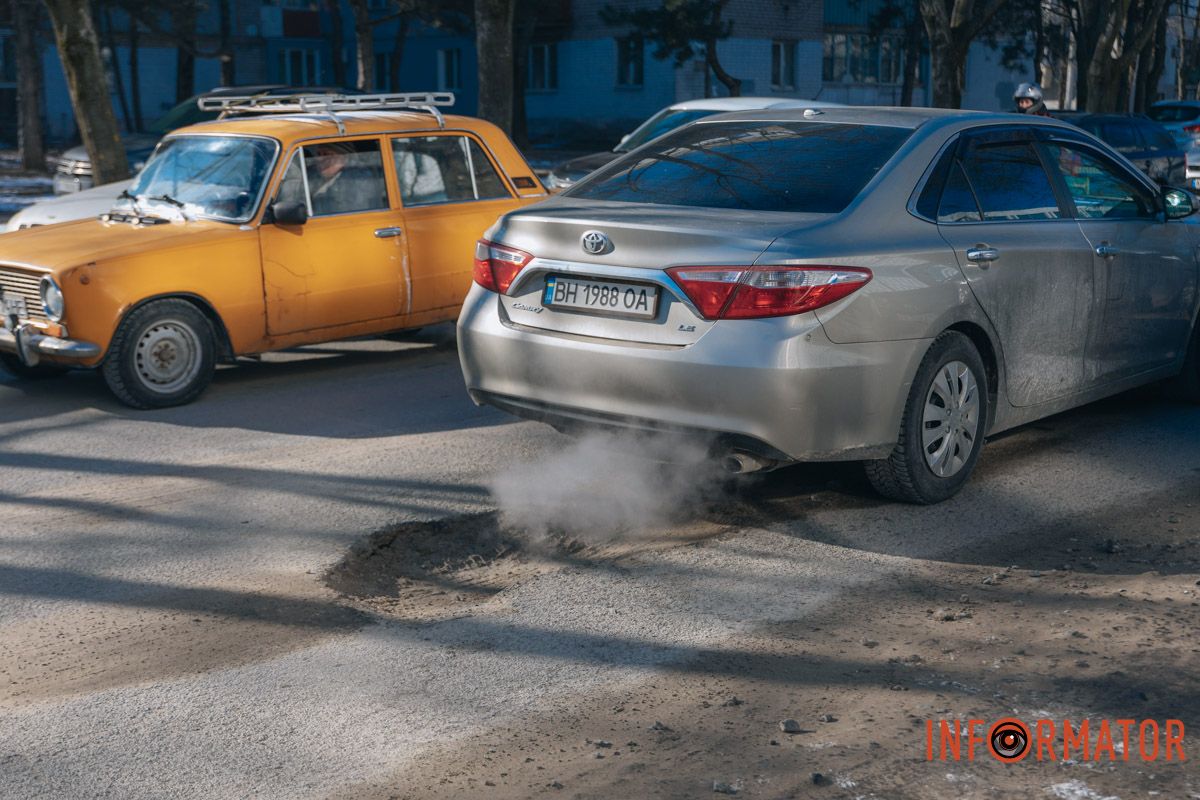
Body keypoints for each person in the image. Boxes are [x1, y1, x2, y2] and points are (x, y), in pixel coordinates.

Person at [307, 141, 360, 215]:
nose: (319, 159)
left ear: (344, 159)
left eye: (326, 154)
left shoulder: (353, 184)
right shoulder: (312, 177)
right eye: (319, 154)